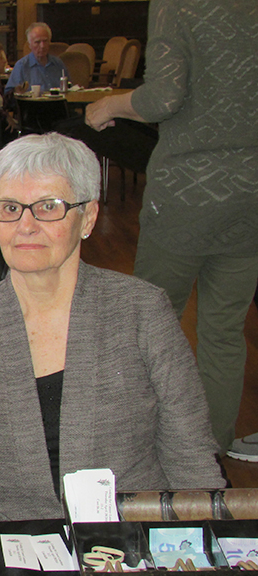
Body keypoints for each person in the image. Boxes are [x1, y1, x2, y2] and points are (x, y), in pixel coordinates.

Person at [0, 133, 224, 523]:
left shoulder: (141, 312)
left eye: (48, 207)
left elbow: (193, 464)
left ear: (88, 218)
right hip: (10, 556)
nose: (26, 226)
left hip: (130, 547)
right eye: (10, 207)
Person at [85, 0, 258, 457]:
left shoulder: (176, 5)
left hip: (187, 193)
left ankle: (139, 450)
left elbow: (164, 97)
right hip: (252, 194)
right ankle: (210, 450)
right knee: (224, 330)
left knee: (151, 323)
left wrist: (109, 104)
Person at [4, 22, 68, 95]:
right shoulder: (21, 66)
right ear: (29, 45)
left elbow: (69, 89)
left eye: (45, 41)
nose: (42, 46)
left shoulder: (58, 64)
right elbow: (8, 95)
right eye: (37, 42)